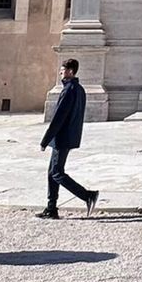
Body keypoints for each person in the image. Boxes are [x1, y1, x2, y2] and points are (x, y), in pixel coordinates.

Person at [39, 59, 98, 218]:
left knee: (57, 172)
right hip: (68, 136)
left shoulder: (69, 90)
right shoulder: (79, 89)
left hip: (62, 137)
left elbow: (59, 118)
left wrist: (45, 140)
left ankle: (87, 196)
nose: (60, 72)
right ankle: (51, 208)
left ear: (71, 71)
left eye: (63, 69)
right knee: (52, 172)